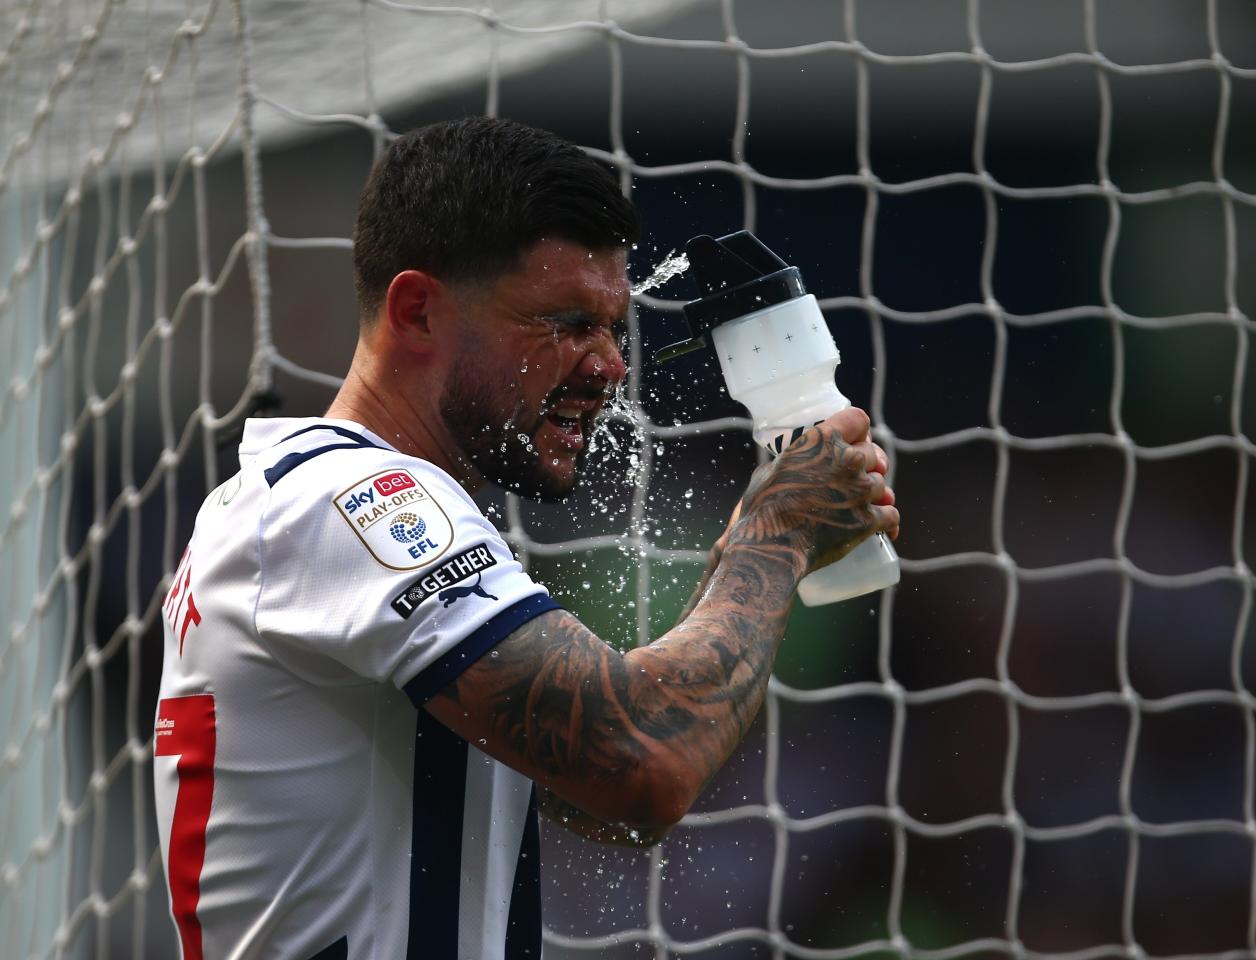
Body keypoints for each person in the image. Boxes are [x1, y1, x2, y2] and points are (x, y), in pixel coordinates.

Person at [152, 116, 900, 960]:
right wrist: (776, 534)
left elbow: (607, 798)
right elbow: (646, 762)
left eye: (613, 328)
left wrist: (753, 540)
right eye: (564, 322)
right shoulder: (358, 502)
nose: (609, 365)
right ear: (417, 311)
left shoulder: (305, 502)